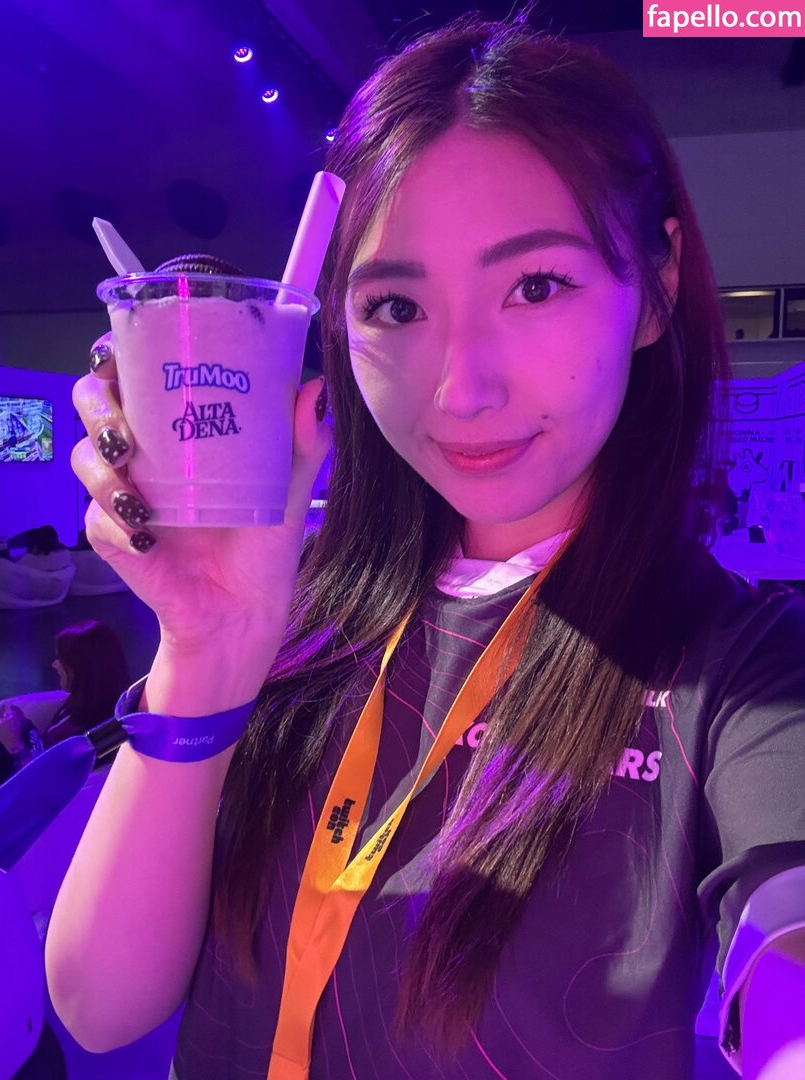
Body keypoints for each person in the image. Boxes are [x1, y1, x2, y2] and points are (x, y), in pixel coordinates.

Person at [46, 10, 805, 1080]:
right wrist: (206, 645)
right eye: (397, 306)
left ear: (655, 285)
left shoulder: (740, 666)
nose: (461, 389)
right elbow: (100, 1007)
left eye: (535, 286)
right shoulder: (290, 612)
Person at [41, 620, 131, 747]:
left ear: (80, 668)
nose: (54, 665)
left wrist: (15, 746)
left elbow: (44, 758)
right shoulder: (84, 703)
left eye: (61, 659)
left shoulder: (86, 735)